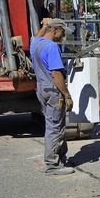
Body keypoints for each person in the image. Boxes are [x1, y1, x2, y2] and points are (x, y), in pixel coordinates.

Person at [31, 18, 75, 175]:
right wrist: (67, 94)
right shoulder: (52, 47)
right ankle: (53, 165)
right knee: (54, 128)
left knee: (55, 125)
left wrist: (43, 26)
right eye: (62, 31)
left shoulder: (36, 43)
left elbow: (36, 36)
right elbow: (56, 73)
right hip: (53, 91)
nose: (63, 35)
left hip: (42, 89)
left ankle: (60, 158)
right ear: (55, 30)